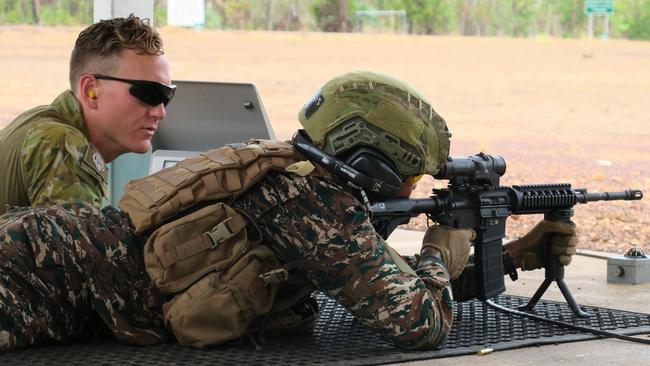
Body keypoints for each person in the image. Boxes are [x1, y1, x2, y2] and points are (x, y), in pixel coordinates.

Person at [0, 71, 577, 351]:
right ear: (373, 166)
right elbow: (417, 323)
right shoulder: (315, 204)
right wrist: (438, 249)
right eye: (409, 172)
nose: (412, 185)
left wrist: (518, 255)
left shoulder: (293, 171)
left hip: (52, 253)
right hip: (38, 274)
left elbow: (366, 287)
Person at [0, 15, 175, 214]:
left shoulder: (41, 121)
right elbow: (74, 244)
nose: (160, 112)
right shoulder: (62, 143)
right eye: (148, 93)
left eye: (166, 96)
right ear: (90, 90)